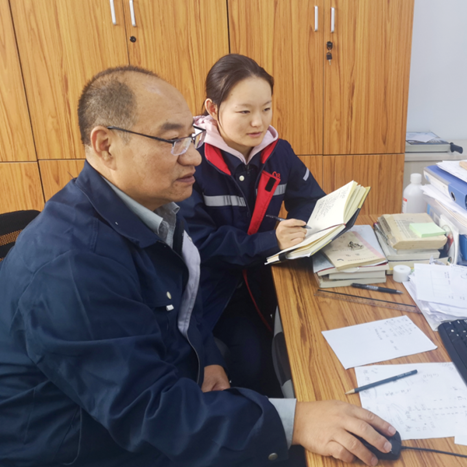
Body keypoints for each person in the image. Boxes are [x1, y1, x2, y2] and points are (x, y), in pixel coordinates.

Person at [0, 66, 395, 467]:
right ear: (106, 146)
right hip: (91, 447)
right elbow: (148, 412)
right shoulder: (72, 266)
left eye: (192, 137)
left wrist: (206, 356)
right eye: (173, 141)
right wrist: (296, 421)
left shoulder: (150, 211)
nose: (193, 156)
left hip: (147, 409)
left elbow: (182, 303)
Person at [179, 54, 325, 396]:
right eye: (244, 111)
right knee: (257, 364)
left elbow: (312, 200)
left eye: (266, 109)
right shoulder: (193, 160)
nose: (258, 122)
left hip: (270, 274)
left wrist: (302, 228)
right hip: (218, 289)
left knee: (314, 335)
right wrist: (272, 241)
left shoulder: (278, 152)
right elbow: (201, 243)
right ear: (213, 109)